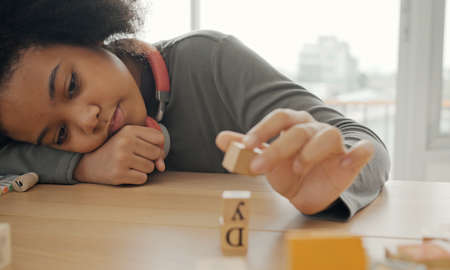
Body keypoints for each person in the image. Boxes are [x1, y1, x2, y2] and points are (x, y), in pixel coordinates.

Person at [0, 0, 390, 220]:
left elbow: (366, 145)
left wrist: (326, 187)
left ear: (88, 36)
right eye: (60, 135)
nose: (86, 120)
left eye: (71, 85)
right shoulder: (75, 149)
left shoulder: (211, 59)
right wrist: (80, 167)